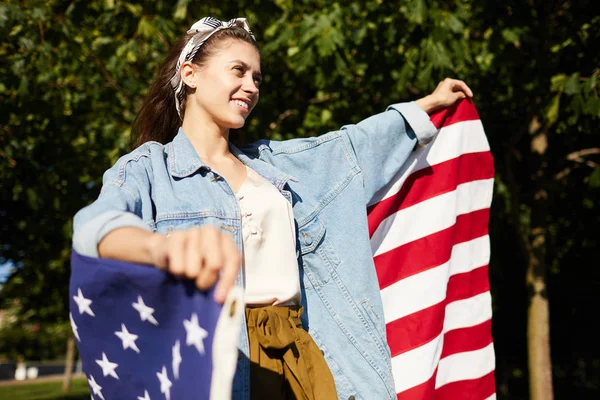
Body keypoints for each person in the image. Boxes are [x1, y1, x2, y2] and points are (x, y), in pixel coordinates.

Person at [72, 16, 473, 400]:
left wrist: (429, 104)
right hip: (218, 351)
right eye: (238, 71)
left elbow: (354, 147)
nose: (250, 86)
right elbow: (97, 226)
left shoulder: (279, 166)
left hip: (302, 349)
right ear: (190, 74)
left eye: (256, 77)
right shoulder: (150, 168)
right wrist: (159, 249)